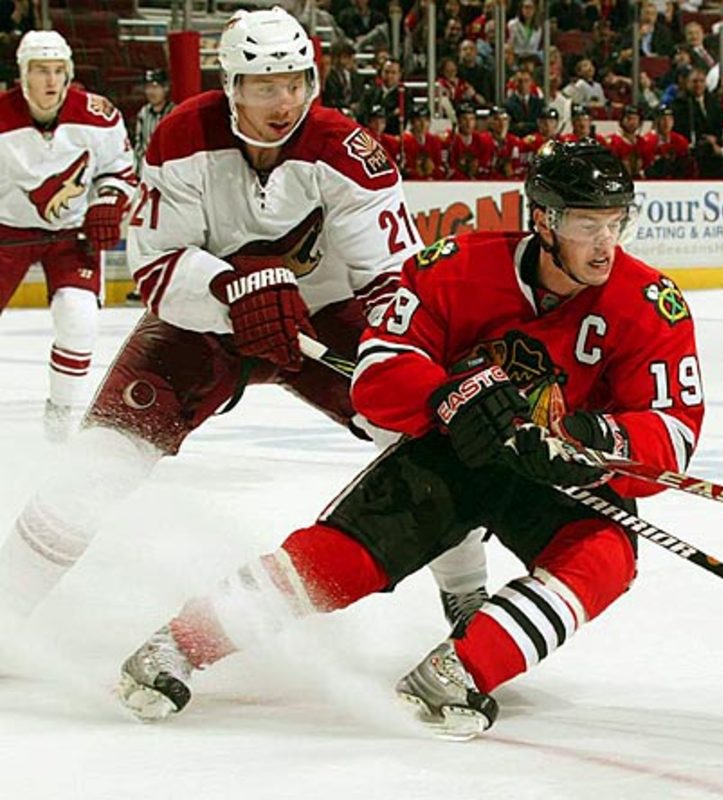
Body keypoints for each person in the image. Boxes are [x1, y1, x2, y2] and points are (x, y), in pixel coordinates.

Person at [115, 140, 706, 741]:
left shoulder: (649, 304)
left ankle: (463, 666)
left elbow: (674, 431)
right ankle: (178, 644)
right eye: (588, 224)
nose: (607, 243)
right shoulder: (456, 267)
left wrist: (592, 439)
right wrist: (445, 397)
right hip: (453, 455)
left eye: (616, 222)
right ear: (544, 221)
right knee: (340, 562)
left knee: (606, 554)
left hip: (556, 474)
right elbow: (377, 371)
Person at [0, 8, 487, 628]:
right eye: (264, 86)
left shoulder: (350, 153)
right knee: (101, 457)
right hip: (203, 323)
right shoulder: (181, 137)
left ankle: (467, 595)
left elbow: (397, 283)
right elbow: (156, 271)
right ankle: (6, 609)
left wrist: (397, 362)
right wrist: (235, 289)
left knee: (427, 439)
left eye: (295, 82)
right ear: (230, 86)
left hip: (325, 320)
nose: (283, 102)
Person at [0, 30, 137, 441]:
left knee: (79, 318)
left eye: (59, 71)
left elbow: (120, 169)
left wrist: (106, 204)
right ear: (23, 75)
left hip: (70, 235)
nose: (51, 81)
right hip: (7, 231)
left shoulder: (98, 116)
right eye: (41, 70)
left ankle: (59, 417)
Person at [133, 70, 174, 176]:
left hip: (168, 168)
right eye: (148, 87)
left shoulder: (174, 113)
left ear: (165, 88)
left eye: (155, 87)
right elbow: (139, 143)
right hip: (147, 168)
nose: (150, 92)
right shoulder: (143, 113)